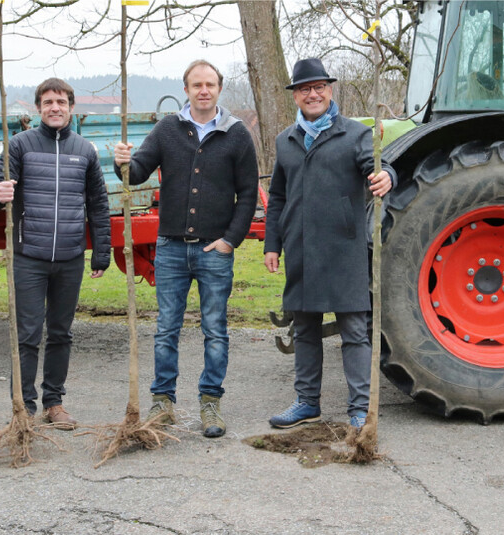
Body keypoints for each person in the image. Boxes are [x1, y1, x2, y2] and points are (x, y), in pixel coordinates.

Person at [113, 59, 259, 438]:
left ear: (219, 89)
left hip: (215, 252)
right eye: (197, 85)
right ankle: (163, 401)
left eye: (210, 84)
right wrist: (123, 163)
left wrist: (230, 241)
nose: (204, 90)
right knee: (166, 330)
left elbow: (247, 194)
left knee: (215, 330)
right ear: (187, 89)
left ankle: (210, 402)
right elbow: (139, 171)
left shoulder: (237, 135)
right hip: (172, 249)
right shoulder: (168, 130)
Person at [263, 58, 393, 433]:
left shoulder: (354, 135)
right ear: (296, 96)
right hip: (301, 251)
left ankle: (360, 409)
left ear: (330, 90)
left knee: (354, 331)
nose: (312, 93)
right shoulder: (285, 140)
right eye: (305, 89)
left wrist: (387, 176)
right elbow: (277, 197)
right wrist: (273, 244)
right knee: (304, 329)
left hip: (343, 250)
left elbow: (378, 165)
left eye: (319, 86)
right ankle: (307, 404)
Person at [0, 78, 111, 430]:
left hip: (70, 257)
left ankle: (53, 403)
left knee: (61, 333)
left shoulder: (85, 151)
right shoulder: (20, 145)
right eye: (47, 102)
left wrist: (100, 254)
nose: (54, 107)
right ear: (38, 108)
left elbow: (98, 205)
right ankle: (23, 408)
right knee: (27, 333)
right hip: (30, 256)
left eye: (61, 101)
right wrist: (1, 190)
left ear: (71, 107)